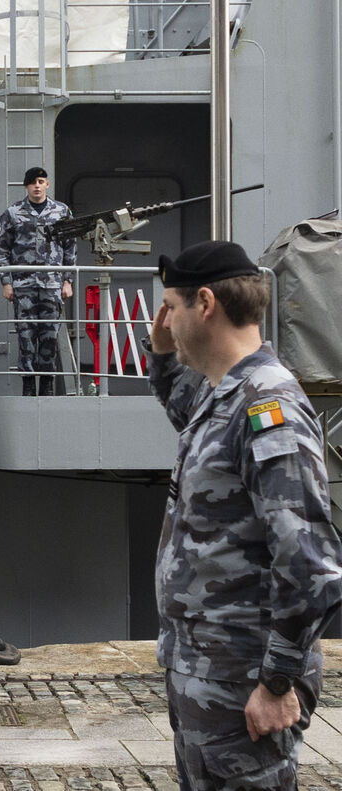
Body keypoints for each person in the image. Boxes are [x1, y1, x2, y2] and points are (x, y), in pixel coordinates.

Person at [145, 240, 342, 790]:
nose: (166, 321)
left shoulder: (266, 407)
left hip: (244, 681)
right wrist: (162, 354)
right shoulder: (227, 396)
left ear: (204, 303)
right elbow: (189, 414)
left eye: (171, 308)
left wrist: (278, 682)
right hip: (209, 674)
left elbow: (311, 565)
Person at [0, 167, 76, 396]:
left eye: (41, 181)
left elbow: (69, 247)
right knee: (26, 336)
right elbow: (2, 249)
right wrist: (6, 282)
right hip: (24, 285)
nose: (37, 186)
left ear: (47, 184)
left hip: (52, 285)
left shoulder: (61, 211)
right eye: (32, 183)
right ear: (27, 186)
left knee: (49, 335)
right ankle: (29, 387)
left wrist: (67, 280)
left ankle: (47, 386)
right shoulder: (12, 213)